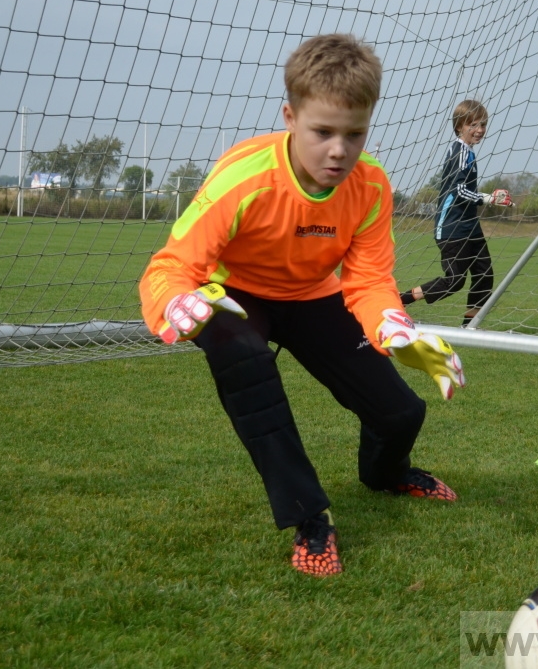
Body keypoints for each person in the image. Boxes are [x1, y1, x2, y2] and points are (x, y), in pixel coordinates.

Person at [139, 34, 466, 578]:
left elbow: (367, 279)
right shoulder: (244, 176)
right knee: (243, 360)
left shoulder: (371, 186)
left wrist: (394, 329)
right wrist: (173, 300)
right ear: (290, 118)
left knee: (402, 413)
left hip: (314, 295)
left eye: (354, 134)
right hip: (235, 297)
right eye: (322, 132)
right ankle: (309, 516)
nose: (338, 150)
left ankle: (387, 474)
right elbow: (171, 265)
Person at [400, 100, 514, 327]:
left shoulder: (468, 152)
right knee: (455, 281)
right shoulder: (459, 151)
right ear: (460, 126)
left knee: (484, 275)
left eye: (483, 124)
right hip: (452, 228)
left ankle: (468, 326)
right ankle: (399, 300)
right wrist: (489, 198)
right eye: (473, 124)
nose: (479, 130)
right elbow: (459, 191)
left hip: (470, 227)